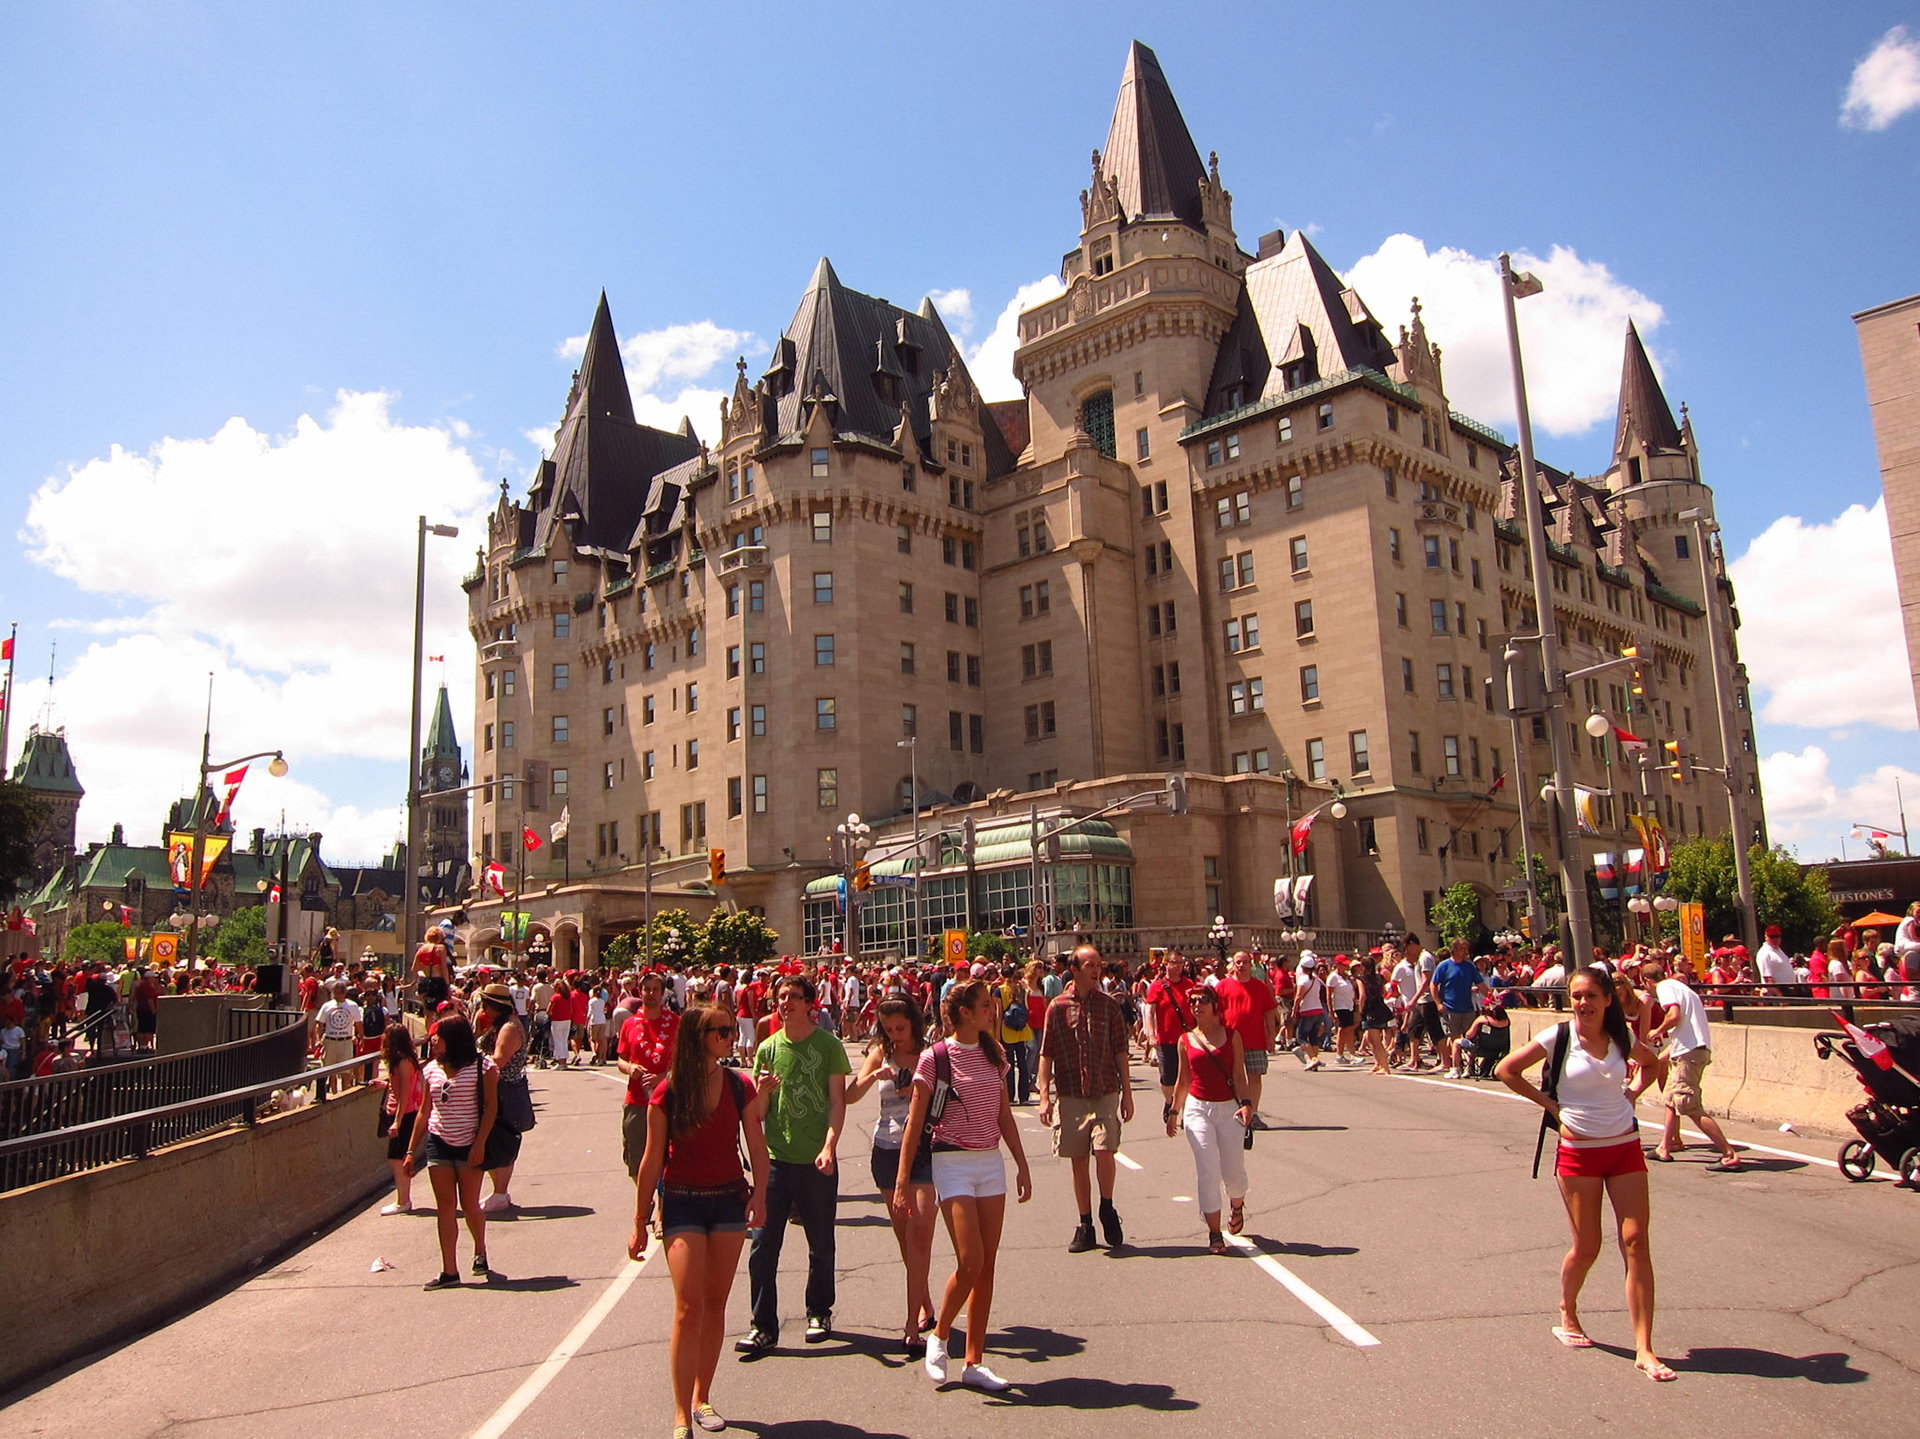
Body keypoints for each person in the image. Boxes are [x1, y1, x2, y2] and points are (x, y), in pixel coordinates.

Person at [1496, 966, 1672, 1381]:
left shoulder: (1620, 1039)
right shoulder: (1558, 1037)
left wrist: (1630, 1095)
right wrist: (1554, 1108)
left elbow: (1652, 1064)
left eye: (1591, 995)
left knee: (1635, 1241)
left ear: (1608, 999)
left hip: (1624, 1148)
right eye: (1576, 996)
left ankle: (1645, 1348)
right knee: (1588, 1246)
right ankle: (1568, 1309)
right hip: (1578, 1154)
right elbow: (1506, 1070)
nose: (1583, 1003)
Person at [629, 1003, 767, 1439]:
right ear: (698, 1037)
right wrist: (639, 1218)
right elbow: (651, 1160)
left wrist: (760, 1194)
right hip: (683, 1202)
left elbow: (757, 1147)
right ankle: (680, 1414)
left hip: (728, 1199)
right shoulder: (667, 1091)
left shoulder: (738, 1084)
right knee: (688, 1306)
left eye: (730, 1029)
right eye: (720, 1031)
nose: (730, 1036)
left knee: (714, 1303)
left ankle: (702, 1396)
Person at [893, 979, 1033, 1391]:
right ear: (967, 1014)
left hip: (990, 1162)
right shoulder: (936, 1058)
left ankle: (974, 1362)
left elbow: (1004, 1115)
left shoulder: (994, 1052)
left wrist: (1022, 1164)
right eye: (987, 1005)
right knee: (970, 1260)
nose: (994, 1010)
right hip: (951, 1160)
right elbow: (915, 1123)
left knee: (986, 1267)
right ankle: (940, 1336)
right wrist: (902, 1180)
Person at [737, 975, 850, 1354]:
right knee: (762, 1246)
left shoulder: (829, 1046)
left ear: (809, 1004)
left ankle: (819, 1311)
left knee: (821, 1243)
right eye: (780, 996)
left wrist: (829, 1146)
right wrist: (763, 1094)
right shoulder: (767, 1049)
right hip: (776, 1161)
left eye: (792, 997)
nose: (785, 1002)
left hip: (816, 1159)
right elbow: (757, 1114)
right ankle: (762, 1325)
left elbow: (837, 1101)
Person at [845, 995, 937, 1352]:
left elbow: (948, 1095)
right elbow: (850, 1095)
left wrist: (917, 1089)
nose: (894, 1035)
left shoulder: (931, 1053)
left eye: (900, 1028)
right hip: (886, 1149)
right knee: (905, 1239)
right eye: (887, 1029)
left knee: (921, 1236)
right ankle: (926, 1304)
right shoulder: (879, 1053)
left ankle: (912, 1324)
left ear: (913, 1022)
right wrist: (874, 1076)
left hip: (926, 1150)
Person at [1036, 944, 1133, 1253]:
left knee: (1105, 1150)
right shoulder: (1057, 1007)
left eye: (1098, 965)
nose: (1095, 970)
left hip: (1105, 1089)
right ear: (1074, 970)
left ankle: (1107, 1205)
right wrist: (1044, 1096)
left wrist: (1127, 1094)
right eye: (1089, 965)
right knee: (1078, 1160)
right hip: (1071, 1092)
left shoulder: (1109, 1005)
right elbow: (1046, 1053)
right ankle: (1086, 1223)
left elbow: (1120, 1050)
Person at [403, 1016, 498, 1289]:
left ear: (453, 1038)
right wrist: (411, 1150)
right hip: (439, 1141)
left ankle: (480, 1250)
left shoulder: (483, 1067)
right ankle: (449, 1271)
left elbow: (490, 1107)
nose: (433, 1040)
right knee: (445, 1207)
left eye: (438, 1035)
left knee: (469, 1204)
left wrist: (480, 1143)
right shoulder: (431, 1069)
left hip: (470, 1143)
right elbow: (424, 1111)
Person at [1166, 985, 1253, 1253]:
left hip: (1229, 1109)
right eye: (1192, 1001)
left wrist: (1248, 1105)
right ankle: (1215, 1233)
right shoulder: (1186, 1040)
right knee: (1207, 1169)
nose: (1196, 1005)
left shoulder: (1231, 1035)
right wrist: (1173, 1111)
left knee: (1233, 1170)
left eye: (1202, 1000)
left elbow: (1239, 1075)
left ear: (1215, 1005)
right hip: (1197, 1109)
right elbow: (1183, 1080)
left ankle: (1237, 1206)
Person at [1643, 956, 1740, 1169]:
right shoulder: (1681, 988)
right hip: (1691, 1050)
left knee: (1689, 1105)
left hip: (1689, 1054)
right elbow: (1684, 1032)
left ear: (1647, 981)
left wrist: (1657, 1030)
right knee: (1671, 1098)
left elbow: (1674, 1015)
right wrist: (1658, 1057)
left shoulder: (1665, 988)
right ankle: (1665, 1147)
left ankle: (1728, 1154)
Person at [620, 973, 681, 1193]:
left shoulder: (675, 1023)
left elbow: (686, 1061)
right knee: (635, 1159)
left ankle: (661, 1213)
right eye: (646, 989)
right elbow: (621, 1058)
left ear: (663, 993)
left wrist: (663, 1077)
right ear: (640, 991)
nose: (651, 994)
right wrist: (629, 1068)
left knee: (667, 1159)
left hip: (668, 1101)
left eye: (656, 989)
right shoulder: (629, 1024)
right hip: (636, 1100)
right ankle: (647, 1197)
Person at [477, 984, 529, 1211]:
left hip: (503, 1090)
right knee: (494, 1140)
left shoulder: (508, 1028)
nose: (483, 1009)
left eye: (486, 1005)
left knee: (501, 1141)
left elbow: (498, 1061)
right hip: (499, 1088)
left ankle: (500, 1192)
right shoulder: (502, 1025)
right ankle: (499, 1191)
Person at [1215, 951, 1278, 1122]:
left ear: (1251, 965)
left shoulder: (1260, 987)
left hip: (1255, 1039)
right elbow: (1214, 1013)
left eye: (1245, 962)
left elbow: (1269, 1012)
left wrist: (1271, 1036)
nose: (1241, 966)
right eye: (1238, 962)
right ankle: (1234, 1110)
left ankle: (1254, 1113)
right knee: (1231, 1078)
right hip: (1229, 1040)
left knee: (1255, 1076)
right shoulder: (1222, 986)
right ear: (1233, 965)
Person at [1143, 952, 1197, 1119]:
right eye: (1174, 963)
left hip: (1188, 1039)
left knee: (1188, 1077)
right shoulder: (1157, 986)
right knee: (1168, 1079)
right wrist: (1151, 1034)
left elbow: (1197, 1009)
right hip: (1167, 1040)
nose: (1178, 966)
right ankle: (1169, 1101)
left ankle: (1185, 1111)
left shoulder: (1189, 984)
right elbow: (1150, 1012)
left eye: (1181, 963)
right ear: (1166, 964)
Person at [379, 1022, 423, 1215]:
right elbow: (396, 1085)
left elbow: (405, 1092)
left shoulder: (404, 1062)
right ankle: (403, 1199)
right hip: (397, 1112)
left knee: (398, 1158)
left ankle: (403, 1201)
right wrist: (382, 1084)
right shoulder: (398, 1061)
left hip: (404, 1114)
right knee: (396, 1158)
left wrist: (398, 1120)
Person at [1432, 939, 1487, 1079]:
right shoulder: (1444, 966)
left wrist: (1491, 998)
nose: (1465, 951)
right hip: (1450, 1007)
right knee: (1453, 1037)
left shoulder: (1469, 967)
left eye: (1466, 948)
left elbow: (1480, 984)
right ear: (1455, 949)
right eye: (1462, 948)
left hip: (1467, 1007)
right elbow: (1433, 984)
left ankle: (1470, 1067)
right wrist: (1438, 1002)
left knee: (1470, 1038)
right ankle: (1455, 1066)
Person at [316, 981, 363, 1094]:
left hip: (346, 1041)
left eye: (339, 993)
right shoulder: (327, 1006)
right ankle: (334, 1094)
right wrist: (319, 1039)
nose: (337, 996)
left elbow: (358, 1023)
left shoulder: (352, 1006)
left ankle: (344, 1095)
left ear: (344, 993)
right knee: (331, 1072)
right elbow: (320, 1023)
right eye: (335, 993)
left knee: (346, 1072)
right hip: (330, 1041)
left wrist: (361, 1038)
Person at [1355, 954, 1396, 1074]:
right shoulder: (1380, 978)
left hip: (1370, 1009)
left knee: (1376, 1040)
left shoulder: (1361, 979)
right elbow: (1383, 992)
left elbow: (1362, 996)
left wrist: (1361, 1010)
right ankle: (1378, 1062)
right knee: (1370, 1039)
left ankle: (1385, 1066)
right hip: (1380, 1007)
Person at [1292, 952, 1328, 1070]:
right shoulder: (1317, 980)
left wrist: (1295, 1009)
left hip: (1307, 1010)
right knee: (1313, 1038)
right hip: (1318, 1010)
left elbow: (1298, 996)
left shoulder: (1303, 979)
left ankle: (1313, 1058)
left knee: (1301, 1037)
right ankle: (1313, 1062)